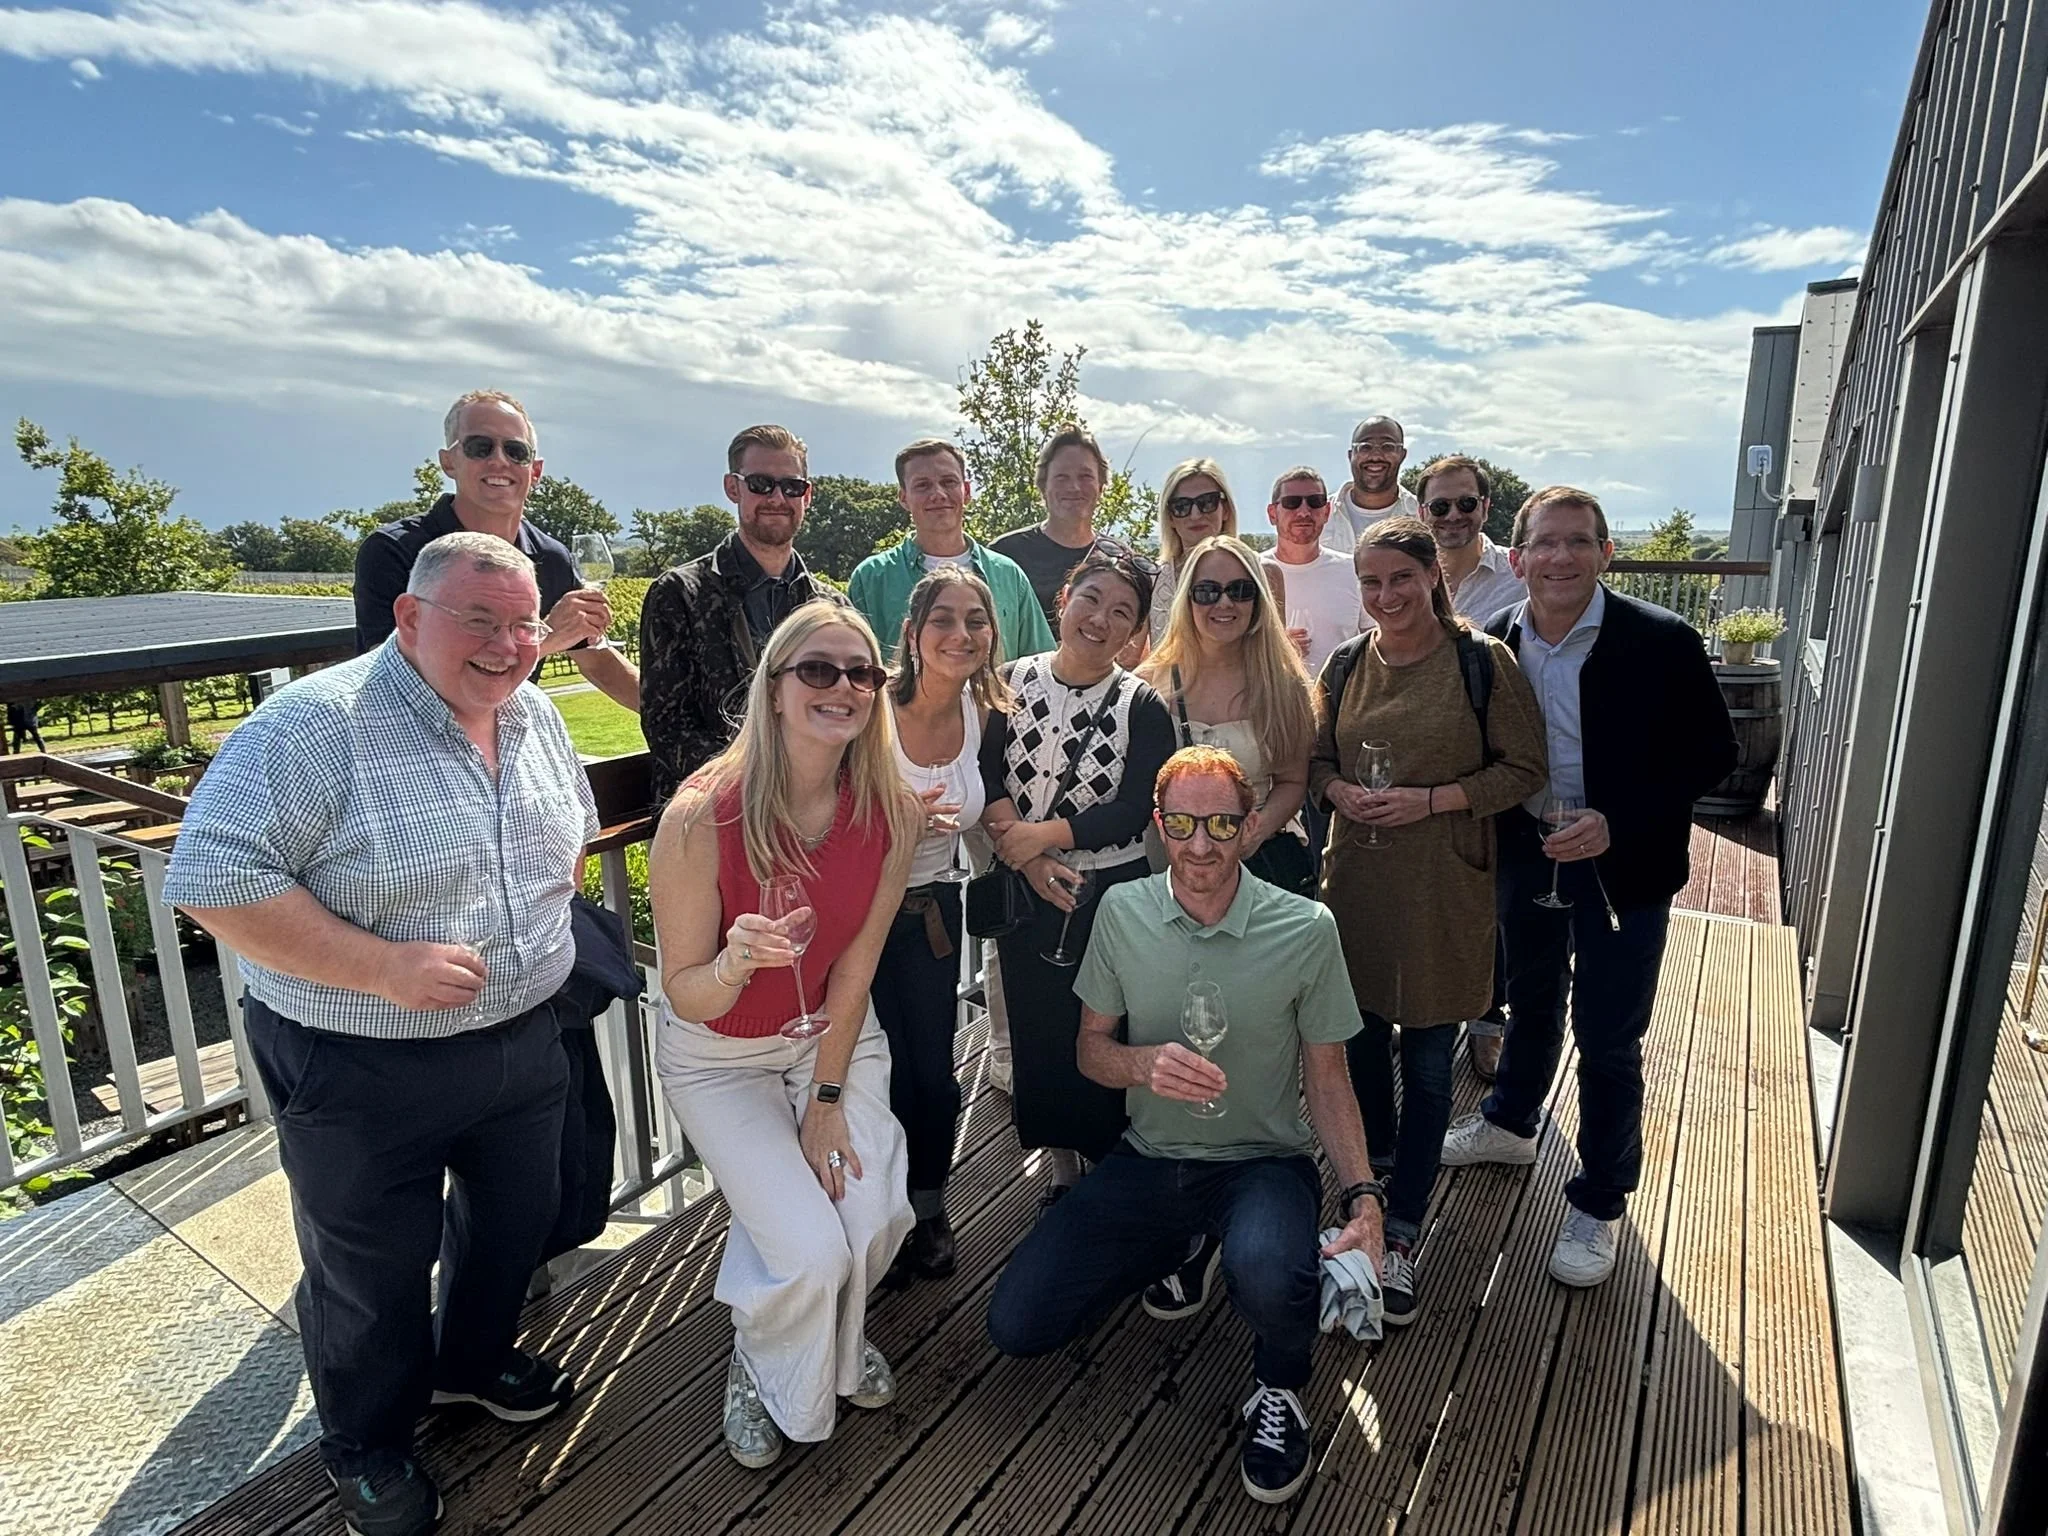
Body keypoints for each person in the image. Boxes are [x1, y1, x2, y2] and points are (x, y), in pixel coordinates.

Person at [165, 533, 598, 1536]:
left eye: (525, 625)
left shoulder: (532, 714)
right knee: (370, 1269)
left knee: (513, 1223)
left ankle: (469, 1363)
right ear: (409, 617)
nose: (507, 645)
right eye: (479, 620)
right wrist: (381, 967)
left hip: (522, 1038)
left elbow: (565, 837)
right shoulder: (315, 724)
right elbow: (212, 879)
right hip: (360, 1058)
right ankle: (365, 1442)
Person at [987, 746, 1386, 1505]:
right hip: (1150, 1155)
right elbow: (1091, 1050)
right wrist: (1142, 1065)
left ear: (1249, 825)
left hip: (1263, 1161)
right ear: (1158, 824)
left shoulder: (1306, 927)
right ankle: (1188, 1244)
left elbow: (1329, 1079)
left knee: (1272, 1278)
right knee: (1018, 1325)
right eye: (1182, 824)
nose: (1201, 844)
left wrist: (1363, 1196)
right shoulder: (1122, 911)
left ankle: (1279, 1386)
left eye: (1221, 824)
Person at [648, 599, 921, 1470]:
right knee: (806, 1255)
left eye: (861, 673)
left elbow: (856, 969)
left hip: (829, 1039)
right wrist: (735, 963)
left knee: (873, 1216)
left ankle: (818, 1345)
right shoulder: (701, 817)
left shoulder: (892, 809)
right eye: (818, 670)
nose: (843, 687)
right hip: (719, 1057)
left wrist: (827, 1101)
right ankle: (763, 1358)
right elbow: (688, 995)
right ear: (773, 688)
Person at [1442, 487, 1736, 1289]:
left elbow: (1714, 752)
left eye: (1579, 541)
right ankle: (1511, 1122)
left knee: (1608, 1036)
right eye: (1546, 542)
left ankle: (1600, 1198)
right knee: (1530, 1001)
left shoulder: (1661, 639)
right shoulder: (1495, 644)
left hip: (1625, 864)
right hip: (1530, 851)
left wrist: (1620, 820)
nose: (1562, 556)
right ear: (1517, 558)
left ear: (1606, 553)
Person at [1310, 517, 1547, 1326]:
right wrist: (1338, 791)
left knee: (1430, 1061)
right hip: (1358, 884)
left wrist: (1434, 800)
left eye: (1401, 579)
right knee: (1360, 1040)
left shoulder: (1481, 661)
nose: (1386, 596)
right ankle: (1368, 1189)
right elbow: (1317, 760)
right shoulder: (1346, 665)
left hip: (1446, 886)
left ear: (1432, 577)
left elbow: (1524, 768)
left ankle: (1404, 1231)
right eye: (1371, 582)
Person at [980, 549, 1175, 1197]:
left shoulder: (1142, 705)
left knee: (1106, 1024)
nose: (1100, 619)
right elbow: (986, 772)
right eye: (1090, 599)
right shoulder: (1008, 682)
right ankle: (1061, 1163)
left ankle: (1109, 1157)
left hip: (1108, 893)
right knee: (1038, 1028)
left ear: (1136, 632)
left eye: (1122, 612)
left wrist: (1043, 837)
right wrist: (1031, 857)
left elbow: (1133, 809)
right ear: (1063, 601)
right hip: (1025, 886)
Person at [877, 568, 1010, 1285]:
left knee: (929, 1075)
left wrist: (1034, 852)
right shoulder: (870, 708)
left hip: (930, 912)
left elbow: (996, 802)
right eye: (944, 620)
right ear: (912, 633)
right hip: (857, 914)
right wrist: (892, 825)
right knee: (868, 1072)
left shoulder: (983, 714)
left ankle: (926, 1209)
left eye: (976, 620)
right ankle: (868, 1216)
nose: (962, 634)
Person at [353, 389, 641, 711]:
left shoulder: (551, 558)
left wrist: (677, 715)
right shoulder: (393, 551)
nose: (499, 460)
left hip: (507, 732)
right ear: (448, 462)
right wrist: (545, 639)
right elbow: (392, 677)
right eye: (480, 447)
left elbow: (599, 662)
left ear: (535, 471)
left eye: (516, 451)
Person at [639, 425, 845, 805]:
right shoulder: (680, 594)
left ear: (807, 495)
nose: (777, 498)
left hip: (815, 807)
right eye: (761, 484)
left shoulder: (832, 607)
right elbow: (668, 729)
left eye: (792, 487)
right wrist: (767, 783)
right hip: (713, 813)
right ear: (733, 488)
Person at [1140, 535, 1318, 896]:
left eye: (1240, 590)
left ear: (1258, 601)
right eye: (1207, 591)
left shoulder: (1284, 685)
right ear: (1187, 600)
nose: (1224, 602)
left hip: (1257, 867)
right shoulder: (1149, 683)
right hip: (1168, 873)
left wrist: (1254, 831)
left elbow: (1293, 781)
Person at [848, 439, 1055, 665]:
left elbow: (1040, 664)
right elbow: (854, 668)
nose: (938, 493)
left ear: (966, 491)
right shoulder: (871, 579)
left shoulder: (1008, 576)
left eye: (948, 482)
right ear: (904, 497)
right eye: (922, 485)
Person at [990, 425, 1130, 628]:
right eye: (1062, 477)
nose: (1074, 487)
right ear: (1043, 486)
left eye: (1085, 476)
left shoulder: (1120, 559)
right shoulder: (1004, 556)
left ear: (1101, 487)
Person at [1263, 465, 1362, 676]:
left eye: (1315, 502)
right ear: (1272, 514)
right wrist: (1276, 646)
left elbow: (1375, 639)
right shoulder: (1252, 572)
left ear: (1326, 512)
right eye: (1291, 503)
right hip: (1271, 695)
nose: (1304, 512)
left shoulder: (1354, 571)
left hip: (1341, 695)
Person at [1417, 455, 1526, 624]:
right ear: (1422, 513)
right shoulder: (1401, 578)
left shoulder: (1521, 576)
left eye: (1467, 503)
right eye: (1439, 506)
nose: (1453, 516)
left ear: (1485, 507)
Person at [1150, 458, 1249, 642]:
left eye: (1207, 502)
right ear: (1169, 517)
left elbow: (1272, 651)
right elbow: (1130, 655)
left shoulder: (1258, 573)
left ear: (1226, 509)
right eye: (1181, 506)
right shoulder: (1151, 580)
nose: (1195, 515)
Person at [1321, 415, 1420, 558]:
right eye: (1365, 447)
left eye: (1387, 447)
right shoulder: (1318, 517)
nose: (1375, 456)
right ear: (1351, 455)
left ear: (1402, 455)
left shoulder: (1423, 516)